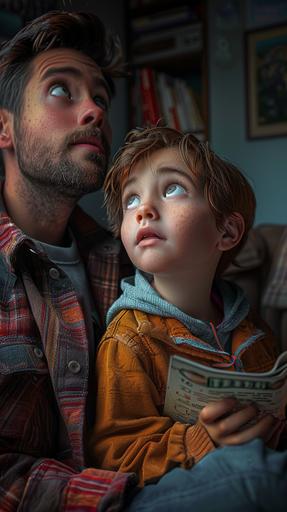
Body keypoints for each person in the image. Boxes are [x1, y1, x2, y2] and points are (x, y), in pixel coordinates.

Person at [0, 9, 286, 512]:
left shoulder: (134, 261)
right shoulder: (130, 324)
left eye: (101, 98)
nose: (94, 110)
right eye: (62, 91)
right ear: (4, 128)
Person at [88, 126, 287, 502]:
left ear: (226, 231)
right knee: (259, 476)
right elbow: (115, 458)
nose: (143, 209)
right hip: (173, 492)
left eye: (172, 189)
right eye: (132, 200)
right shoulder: (127, 339)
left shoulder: (254, 332)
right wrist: (199, 441)